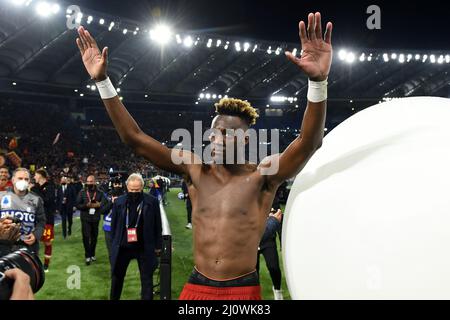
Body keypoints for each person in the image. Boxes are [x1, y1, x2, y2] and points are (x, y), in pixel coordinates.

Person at [76, 11, 332, 299]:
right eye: (213, 132)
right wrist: (103, 82)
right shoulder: (194, 170)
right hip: (197, 286)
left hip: (242, 291)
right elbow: (134, 139)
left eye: (225, 132)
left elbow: (309, 141)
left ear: (245, 138)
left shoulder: (264, 175)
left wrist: (318, 83)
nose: (215, 138)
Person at [110, 173, 162, 300]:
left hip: (144, 247)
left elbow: (157, 225)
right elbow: (114, 225)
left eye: (137, 190)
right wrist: (114, 244)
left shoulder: (152, 201)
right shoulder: (119, 202)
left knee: (147, 279)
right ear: (127, 187)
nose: (134, 192)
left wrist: (158, 245)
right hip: (123, 247)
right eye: (132, 189)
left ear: (142, 188)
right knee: (117, 277)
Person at [76, 175, 109, 265]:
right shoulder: (82, 192)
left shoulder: (100, 192)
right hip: (85, 218)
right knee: (86, 237)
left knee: (94, 237)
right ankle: (87, 256)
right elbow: (77, 204)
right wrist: (86, 205)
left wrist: (99, 205)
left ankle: (92, 254)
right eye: (88, 181)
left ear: (95, 182)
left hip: (95, 218)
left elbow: (105, 203)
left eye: (91, 181)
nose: (89, 183)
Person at [32, 168, 56, 272]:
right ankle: (34, 264)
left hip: (47, 219)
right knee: (33, 242)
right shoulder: (34, 188)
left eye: (35, 175)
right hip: (34, 220)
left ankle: (46, 265)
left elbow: (46, 201)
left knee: (47, 243)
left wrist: (34, 190)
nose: (34, 177)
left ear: (41, 176)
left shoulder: (50, 186)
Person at [257, 208, 283, 300]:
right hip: (252, 239)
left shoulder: (270, 196)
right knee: (254, 271)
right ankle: (256, 294)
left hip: (268, 239)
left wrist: (281, 240)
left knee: (274, 267)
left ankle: (277, 290)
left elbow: (279, 217)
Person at [104, 178, 125, 264]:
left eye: (119, 184)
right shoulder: (106, 196)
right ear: (112, 185)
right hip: (108, 227)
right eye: (115, 184)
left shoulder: (125, 196)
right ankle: (113, 269)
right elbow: (102, 211)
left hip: (121, 227)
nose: (117, 186)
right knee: (111, 251)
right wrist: (111, 203)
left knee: (121, 251)